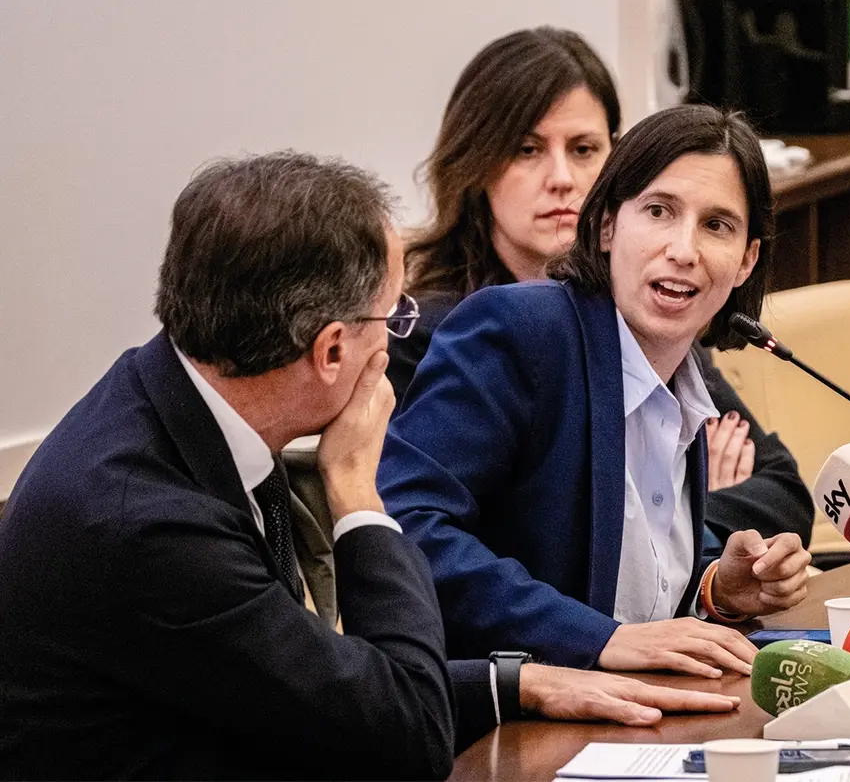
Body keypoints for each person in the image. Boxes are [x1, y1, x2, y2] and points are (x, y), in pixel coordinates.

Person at [0, 152, 739, 780]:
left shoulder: (162, 395)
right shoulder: (148, 523)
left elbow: (314, 677)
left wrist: (512, 681)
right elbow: (399, 733)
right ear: (329, 350)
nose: (394, 344)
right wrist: (357, 489)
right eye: (393, 319)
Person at [380, 105, 813, 677]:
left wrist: (714, 586)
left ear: (745, 261)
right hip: (504, 726)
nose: (685, 250)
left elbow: (625, 576)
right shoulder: (521, 331)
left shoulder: (682, 373)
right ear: (607, 225)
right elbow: (403, 526)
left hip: (636, 715)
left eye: (717, 225)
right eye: (659, 211)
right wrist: (598, 639)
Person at [391, 26, 814, 546]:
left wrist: (687, 532)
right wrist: (674, 516)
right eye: (527, 150)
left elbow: (782, 491)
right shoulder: (437, 331)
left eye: (585, 148)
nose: (563, 178)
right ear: (476, 162)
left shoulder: (648, 304)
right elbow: (435, 530)